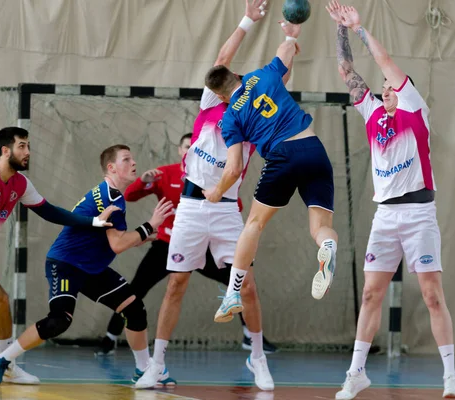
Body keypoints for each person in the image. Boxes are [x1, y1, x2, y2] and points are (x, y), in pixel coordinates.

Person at [135, 0, 277, 391]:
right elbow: (221, 57)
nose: (232, 81)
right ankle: (156, 364)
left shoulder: (251, 122)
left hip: (227, 210)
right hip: (193, 208)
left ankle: (258, 359)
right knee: (176, 283)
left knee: (245, 285)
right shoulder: (211, 104)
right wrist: (249, 19)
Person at [325, 2, 455, 399]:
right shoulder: (371, 113)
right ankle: (356, 374)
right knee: (371, 294)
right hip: (386, 215)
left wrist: (361, 28)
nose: (386, 88)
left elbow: (383, 62)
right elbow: (347, 73)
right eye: (382, 86)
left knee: (433, 294)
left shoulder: (416, 112)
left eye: (392, 84)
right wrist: (340, 30)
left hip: (418, 213)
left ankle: (450, 377)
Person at [0, 144, 174, 386]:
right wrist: (149, 225)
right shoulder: (110, 197)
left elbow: (116, 240)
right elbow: (117, 244)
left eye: (133, 159)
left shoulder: (111, 194)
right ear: (111, 167)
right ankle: (2, 361)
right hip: (65, 264)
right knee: (59, 320)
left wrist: (140, 236)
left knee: (134, 308)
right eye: (126, 159)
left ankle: (143, 369)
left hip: (90, 267)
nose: (133, 163)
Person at [203, 18, 339, 327]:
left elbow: (234, 167)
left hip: (282, 156)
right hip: (314, 148)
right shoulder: (262, 76)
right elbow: (285, 55)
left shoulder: (229, 118)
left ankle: (232, 294)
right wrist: (290, 36)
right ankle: (328, 246)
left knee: (253, 224)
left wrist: (216, 191)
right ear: (236, 74)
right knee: (320, 227)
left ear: (222, 97)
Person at [95, 133, 277, 356]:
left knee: (238, 282)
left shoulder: (215, 177)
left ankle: (251, 337)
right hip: (167, 245)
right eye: (187, 146)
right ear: (181, 151)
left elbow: (232, 203)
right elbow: (131, 196)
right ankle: (110, 337)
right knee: (137, 288)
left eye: (194, 145)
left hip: (203, 245)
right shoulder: (165, 173)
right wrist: (143, 181)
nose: (191, 149)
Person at [0, 127, 116, 385]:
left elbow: (49, 211)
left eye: (28, 146)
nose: (28, 152)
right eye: (22, 146)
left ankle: (6, 365)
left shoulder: (20, 183)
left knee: (0, 301)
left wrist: (92, 222)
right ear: (5, 150)